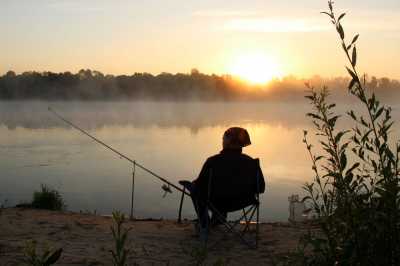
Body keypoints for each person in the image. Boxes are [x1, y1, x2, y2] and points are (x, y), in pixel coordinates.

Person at [183, 127, 265, 232]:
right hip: (244, 201)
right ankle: (218, 218)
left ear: (227, 142)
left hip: (217, 202)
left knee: (195, 190)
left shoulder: (213, 162)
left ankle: (205, 223)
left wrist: (193, 185)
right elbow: (261, 188)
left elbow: (200, 187)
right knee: (217, 192)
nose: (222, 140)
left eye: (224, 138)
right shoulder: (252, 163)